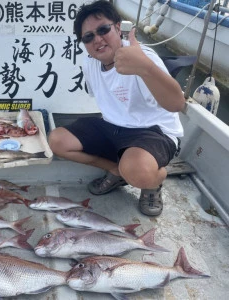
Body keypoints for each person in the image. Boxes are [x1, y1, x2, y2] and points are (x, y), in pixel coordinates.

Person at [48, 0, 185, 216]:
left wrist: (145, 68)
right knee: (57, 140)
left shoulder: (143, 57)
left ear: (118, 28)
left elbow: (177, 104)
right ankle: (114, 170)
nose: (98, 39)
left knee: (136, 172)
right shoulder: (90, 63)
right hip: (113, 125)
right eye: (88, 37)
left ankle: (154, 181)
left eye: (103, 30)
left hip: (154, 131)